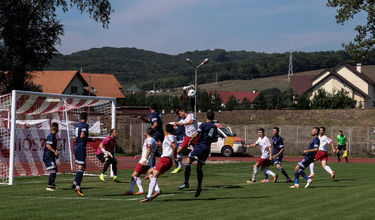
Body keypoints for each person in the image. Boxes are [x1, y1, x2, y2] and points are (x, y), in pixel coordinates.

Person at [178, 111, 218, 198]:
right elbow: (215, 139)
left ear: (206, 116)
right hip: (207, 149)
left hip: (200, 146)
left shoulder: (204, 124)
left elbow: (196, 133)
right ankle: (199, 186)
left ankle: (186, 182)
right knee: (199, 167)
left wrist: (190, 140)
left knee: (188, 162)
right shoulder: (215, 127)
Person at [141, 124, 177, 202]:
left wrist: (175, 157)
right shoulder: (173, 137)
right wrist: (161, 146)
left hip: (165, 159)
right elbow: (169, 148)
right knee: (150, 172)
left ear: (166, 131)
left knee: (153, 176)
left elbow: (173, 146)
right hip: (166, 160)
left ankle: (149, 196)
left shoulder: (168, 137)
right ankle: (157, 190)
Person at [125, 128, 157, 195]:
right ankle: (157, 189)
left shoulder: (149, 140)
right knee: (150, 175)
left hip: (145, 161)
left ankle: (132, 190)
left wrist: (145, 159)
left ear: (146, 133)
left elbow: (149, 150)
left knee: (134, 175)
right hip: (149, 160)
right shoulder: (153, 140)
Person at [170, 108, 198, 174]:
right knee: (178, 151)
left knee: (198, 153)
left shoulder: (191, 115)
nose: (180, 115)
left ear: (183, 111)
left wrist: (182, 124)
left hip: (195, 137)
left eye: (180, 113)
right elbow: (179, 123)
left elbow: (192, 121)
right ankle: (180, 166)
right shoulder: (183, 120)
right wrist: (176, 124)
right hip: (187, 137)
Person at [72, 112, 90, 197]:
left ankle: (75, 182)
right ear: (86, 118)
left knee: (83, 166)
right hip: (80, 148)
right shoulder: (84, 125)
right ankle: (78, 187)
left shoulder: (76, 126)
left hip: (76, 147)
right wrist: (90, 139)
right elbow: (82, 135)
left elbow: (76, 137)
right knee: (81, 167)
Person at [43, 122, 59, 191]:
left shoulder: (53, 136)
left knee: (55, 169)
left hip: (51, 156)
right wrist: (54, 151)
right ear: (56, 128)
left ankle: (52, 184)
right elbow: (48, 145)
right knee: (53, 169)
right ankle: (49, 186)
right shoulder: (51, 136)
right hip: (48, 156)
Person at [171, 107, 185, 172]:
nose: (178, 113)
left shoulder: (183, 118)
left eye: (178, 112)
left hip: (182, 137)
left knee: (178, 151)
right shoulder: (179, 118)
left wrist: (175, 128)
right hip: (179, 137)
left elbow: (181, 129)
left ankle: (179, 166)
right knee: (176, 152)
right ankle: (178, 166)